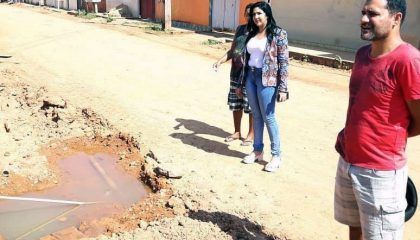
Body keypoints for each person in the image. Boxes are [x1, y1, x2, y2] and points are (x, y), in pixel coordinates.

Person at [334, 0, 420, 239]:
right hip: (348, 161)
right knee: (355, 229)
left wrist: (382, 139)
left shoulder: (408, 60)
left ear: (396, 18)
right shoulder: (362, 55)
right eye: (362, 12)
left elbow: (418, 119)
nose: (363, 19)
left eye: (372, 14)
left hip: (380, 172)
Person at [238, 1, 289, 172]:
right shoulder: (251, 33)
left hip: (267, 79)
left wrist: (283, 88)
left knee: (269, 117)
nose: (256, 17)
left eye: (259, 13)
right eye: (253, 14)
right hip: (251, 77)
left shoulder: (278, 34)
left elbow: (284, 62)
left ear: (267, 14)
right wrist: (240, 83)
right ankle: (258, 150)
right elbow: (244, 61)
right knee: (256, 116)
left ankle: (276, 155)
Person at [213, 3, 254, 146]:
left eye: (253, 14)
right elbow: (233, 50)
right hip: (236, 73)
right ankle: (237, 132)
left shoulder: (259, 32)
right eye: (247, 13)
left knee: (250, 105)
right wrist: (220, 61)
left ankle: (251, 134)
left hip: (250, 76)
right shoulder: (240, 29)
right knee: (236, 104)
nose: (250, 16)